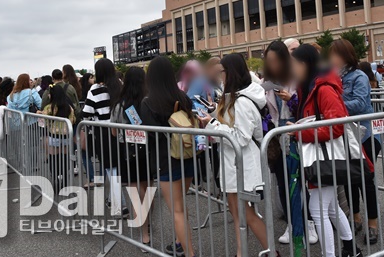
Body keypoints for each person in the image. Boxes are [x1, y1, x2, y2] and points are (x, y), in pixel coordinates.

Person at [290, 44, 364, 257]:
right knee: (330, 209)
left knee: (318, 209)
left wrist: (298, 133)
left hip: (325, 158)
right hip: (320, 159)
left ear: (305, 64)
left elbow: (336, 126)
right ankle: (351, 249)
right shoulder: (311, 87)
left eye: (294, 64)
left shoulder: (322, 88)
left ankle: (333, 254)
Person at [198, 54, 272, 257]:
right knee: (237, 212)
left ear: (230, 73)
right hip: (234, 163)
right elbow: (232, 124)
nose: (218, 76)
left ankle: (271, 252)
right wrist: (214, 117)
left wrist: (213, 125)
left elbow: (241, 137)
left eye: (221, 72)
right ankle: (242, 252)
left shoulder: (242, 101)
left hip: (242, 163)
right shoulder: (236, 97)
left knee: (246, 214)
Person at [141, 56, 196, 257]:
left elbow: (149, 133)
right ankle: (182, 243)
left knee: (177, 210)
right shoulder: (183, 98)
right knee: (181, 205)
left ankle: (189, 252)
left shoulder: (148, 103)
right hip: (188, 156)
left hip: (166, 161)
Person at [329, 39, 381, 245]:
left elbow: (360, 103)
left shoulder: (359, 76)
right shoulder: (334, 77)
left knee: (366, 182)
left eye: (333, 54)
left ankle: (373, 225)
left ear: (343, 56)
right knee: (349, 179)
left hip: (365, 136)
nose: (330, 58)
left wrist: (334, 105)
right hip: (346, 137)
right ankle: (356, 217)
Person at [262, 41, 312, 245]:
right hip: (276, 135)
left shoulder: (297, 77)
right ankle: (292, 224)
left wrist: (290, 98)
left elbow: (305, 106)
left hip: (294, 131)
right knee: (283, 182)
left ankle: (308, 222)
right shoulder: (267, 82)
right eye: (269, 61)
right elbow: (266, 110)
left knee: (299, 181)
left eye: (276, 60)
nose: (273, 64)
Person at [111, 66, 151, 248]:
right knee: (147, 187)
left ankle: (144, 233)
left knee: (135, 190)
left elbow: (113, 131)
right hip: (149, 151)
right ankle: (146, 222)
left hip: (128, 152)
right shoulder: (148, 101)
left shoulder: (121, 104)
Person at [82, 59, 122, 189]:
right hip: (121, 129)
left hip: (103, 131)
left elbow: (87, 112)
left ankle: (119, 203)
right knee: (116, 164)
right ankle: (112, 199)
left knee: (110, 166)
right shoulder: (120, 85)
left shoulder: (94, 89)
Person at [41, 84, 75, 191]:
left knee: (53, 158)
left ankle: (56, 178)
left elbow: (44, 122)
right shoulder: (68, 108)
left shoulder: (49, 107)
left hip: (53, 136)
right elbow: (73, 120)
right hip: (66, 136)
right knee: (64, 157)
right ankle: (64, 177)